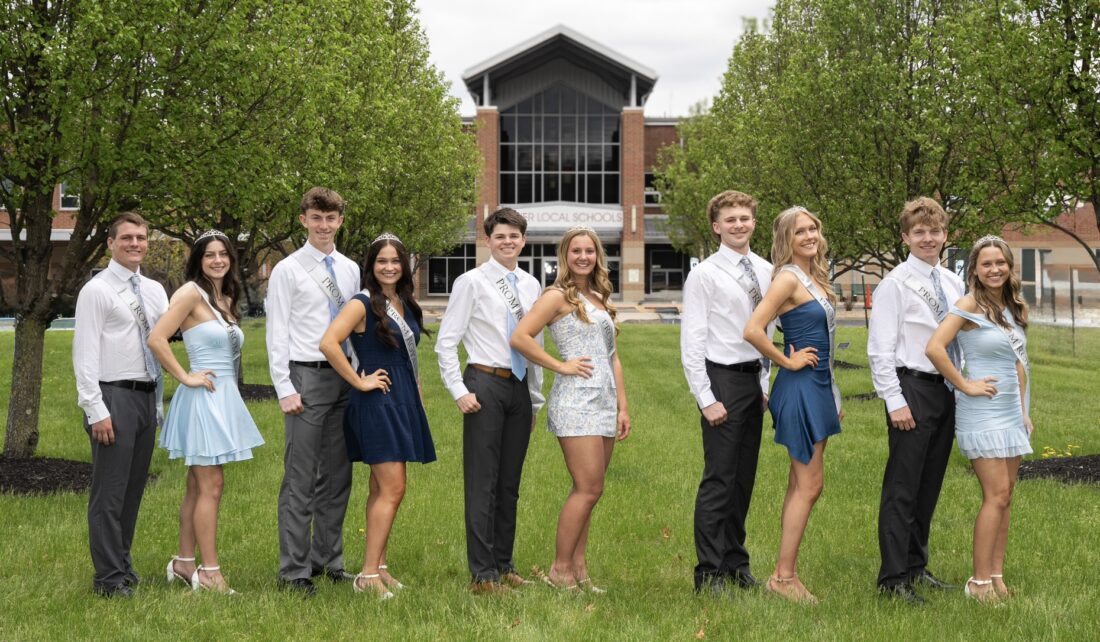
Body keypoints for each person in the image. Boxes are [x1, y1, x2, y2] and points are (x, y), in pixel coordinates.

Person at [510, 226, 630, 592]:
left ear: (597, 256)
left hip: (604, 401)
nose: (583, 257)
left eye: (589, 251)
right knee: (587, 488)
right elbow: (520, 337)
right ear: (565, 255)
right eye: (576, 250)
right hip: (575, 400)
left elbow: (612, 356)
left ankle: (579, 569)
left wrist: (623, 407)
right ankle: (560, 570)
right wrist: (560, 365)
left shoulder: (598, 295)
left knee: (593, 490)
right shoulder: (557, 296)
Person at [319, 233, 436, 599]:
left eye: (395, 261)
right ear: (370, 266)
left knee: (379, 488)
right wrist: (358, 380)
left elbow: (407, 357)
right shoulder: (362, 303)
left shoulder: (404, 302)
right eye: (381, 261)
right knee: (393, 487)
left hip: (401, 400)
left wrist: (417, 399)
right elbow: (328, 342)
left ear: (404, 265)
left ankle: (380, 567)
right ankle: (367, 575)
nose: (389, 267)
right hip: (377, 401)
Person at [148, 230, 265, 594]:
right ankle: (210, 573)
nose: (217, 260)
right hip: (202, 400)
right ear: (198, 260)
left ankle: (184, 563)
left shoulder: (225, 298)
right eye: (209, 255)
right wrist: (185, 376)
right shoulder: (190, 293)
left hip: (223, 397)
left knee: (198, 485)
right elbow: (156, 339)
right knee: (211, 486)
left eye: (223, 254)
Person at [435, 207, 544, 594]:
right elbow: (446, 342)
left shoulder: (531, 285)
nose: (507, 242)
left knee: (509, 483)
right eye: (500, 236)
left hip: (518, 387)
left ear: (523, 241)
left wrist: (535, 399)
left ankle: (503, 563)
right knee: (483, 482)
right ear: (488, 240)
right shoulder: (471, 282)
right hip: (484, 383)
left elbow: (534, 344)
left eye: (514, 236)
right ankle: (482, 575)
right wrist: (459, 391)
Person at [743, 206, 842, 604]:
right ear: (786, 239)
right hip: (800, 387)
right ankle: (784, 578)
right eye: (800, 231)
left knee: (800, 484)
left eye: (813, 228)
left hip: (818, 386)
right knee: (810, 484)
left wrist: (833, 394)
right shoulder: (787, 278)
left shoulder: (813, 275)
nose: (809, 235)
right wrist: (787, 361)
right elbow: (753, 329)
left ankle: (784, 574)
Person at [926, 235, 1032, 603]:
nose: (994, 269)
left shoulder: (1011, 307)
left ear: (1009, 266)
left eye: (1000, 262)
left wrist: (1024, 412)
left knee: (1007, 496)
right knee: (995, 494)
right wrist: (964, 385)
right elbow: (934, 348)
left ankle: (997, 576)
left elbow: (1018, 365)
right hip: (982, 410)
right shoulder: (968, 304)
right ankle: (979, 582)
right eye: (987, 263)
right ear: (974, 269)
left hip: (1010, 412)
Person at [868, 197, 963, 605]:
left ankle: (915, 565)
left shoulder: (954, 283)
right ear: (905, 237)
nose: (928, 238)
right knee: (903, 487)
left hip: (945, 390)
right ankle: (892, 578)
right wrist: (894, 400)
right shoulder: (895, 284)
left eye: (934, 231)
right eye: (919, 232)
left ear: (945, 235)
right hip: (912, 388)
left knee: (929, 483)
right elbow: (880, 348)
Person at [266, 187, 360, 596]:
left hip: (344, 377)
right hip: (305, 377)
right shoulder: (287, 270)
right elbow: (276, 331)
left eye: (331, 218)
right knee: (300, 478)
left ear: (340, 221)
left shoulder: (350, 269)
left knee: (337, 476)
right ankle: (294, 570)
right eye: (316, 218)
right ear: (303, 219)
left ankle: (328, 560)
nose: (324, 225)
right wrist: (283, 386)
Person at [680, 190, 774, 595]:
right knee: (720, 478)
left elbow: (768, 332)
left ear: (754, 222)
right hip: (722, 379)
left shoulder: (768, 270)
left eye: (744, 218)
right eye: (730, 219)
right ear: (716, 227)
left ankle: (736, 562)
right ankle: (710, 571)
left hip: (753, 381)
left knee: (743, 478)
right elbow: (692, 340)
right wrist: (706, 397)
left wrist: (765, 384)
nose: (739, 225)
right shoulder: (705, 274)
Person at [73, 212, 169, 597]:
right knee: (109, 493)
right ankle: (108, 578)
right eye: (127, 237)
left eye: (141, 237)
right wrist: (95, 408)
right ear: (111, 243)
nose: (135, 244)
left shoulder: (155, 290)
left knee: (132, 491)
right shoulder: (96, 290)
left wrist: (158, 403)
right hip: (112, 397)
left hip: (146, 397)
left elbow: (162, 345)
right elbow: (84, 354)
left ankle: (123, 564)